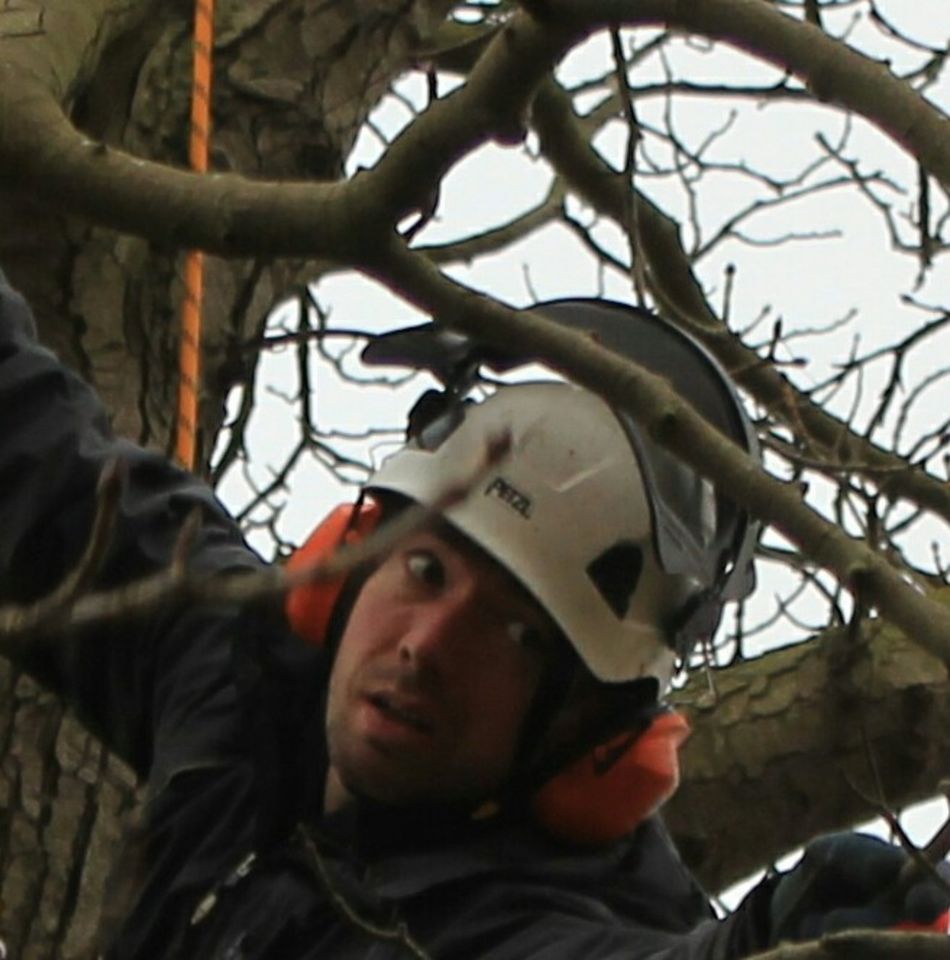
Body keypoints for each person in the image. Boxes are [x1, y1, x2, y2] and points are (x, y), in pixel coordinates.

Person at [0, 269, 946, 959]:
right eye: (423, 569)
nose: (427, 644)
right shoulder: (236, 680)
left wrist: (798, 944)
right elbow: (31, 453)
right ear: (348, 560)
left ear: (583, 731)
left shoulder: (531, 926)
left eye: (519, 635)